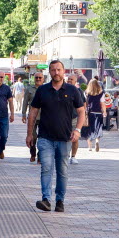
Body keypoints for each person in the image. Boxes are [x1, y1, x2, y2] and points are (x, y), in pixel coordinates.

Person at [26, 60, 85, 213]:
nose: (56, 72)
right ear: (49, 72)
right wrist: (29, 134)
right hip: (45, 137)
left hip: (65, 138)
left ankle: (60, 201)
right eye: (53, 70)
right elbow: (33, 112)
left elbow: (81, 111)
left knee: (62, 171)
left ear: (63, 71)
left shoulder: (72, 90)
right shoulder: (42, 90)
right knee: (46, 168)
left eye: (59, 70)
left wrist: (77, 130)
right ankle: (46, 199)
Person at [21, 72, 44, 163]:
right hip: (32, 117)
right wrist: (23, 114)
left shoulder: (46, 89)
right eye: (36, 78)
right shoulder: (29, 89)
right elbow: (25, 102)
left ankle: (40, 156)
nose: (38, 79)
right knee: (33, 137)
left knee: (42, 138)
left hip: (44, 117)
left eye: (40, 78)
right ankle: (33, 153)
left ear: (43, 79)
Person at [66, 74, 86, 164]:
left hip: (74, 118)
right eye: (68, 79)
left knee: (75, 137)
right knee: (64, 138)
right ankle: (65, 155)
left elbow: (83, 104)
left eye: (71, 79)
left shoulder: (79, 91)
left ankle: (73, 156)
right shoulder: (62, 90)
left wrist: (84, 116)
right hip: (63, 118)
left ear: (75, 81)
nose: (69, 80)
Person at [81, 79, 105, 151]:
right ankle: (97, 141)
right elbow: (103, 104)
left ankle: (90, 147)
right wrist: (104, 112)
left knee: (89, 129)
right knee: (98, 128)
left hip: (90, 113)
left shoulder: (86, 93)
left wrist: (84, 112)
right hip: (98, 112)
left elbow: (85, 104)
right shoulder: (101, 93)